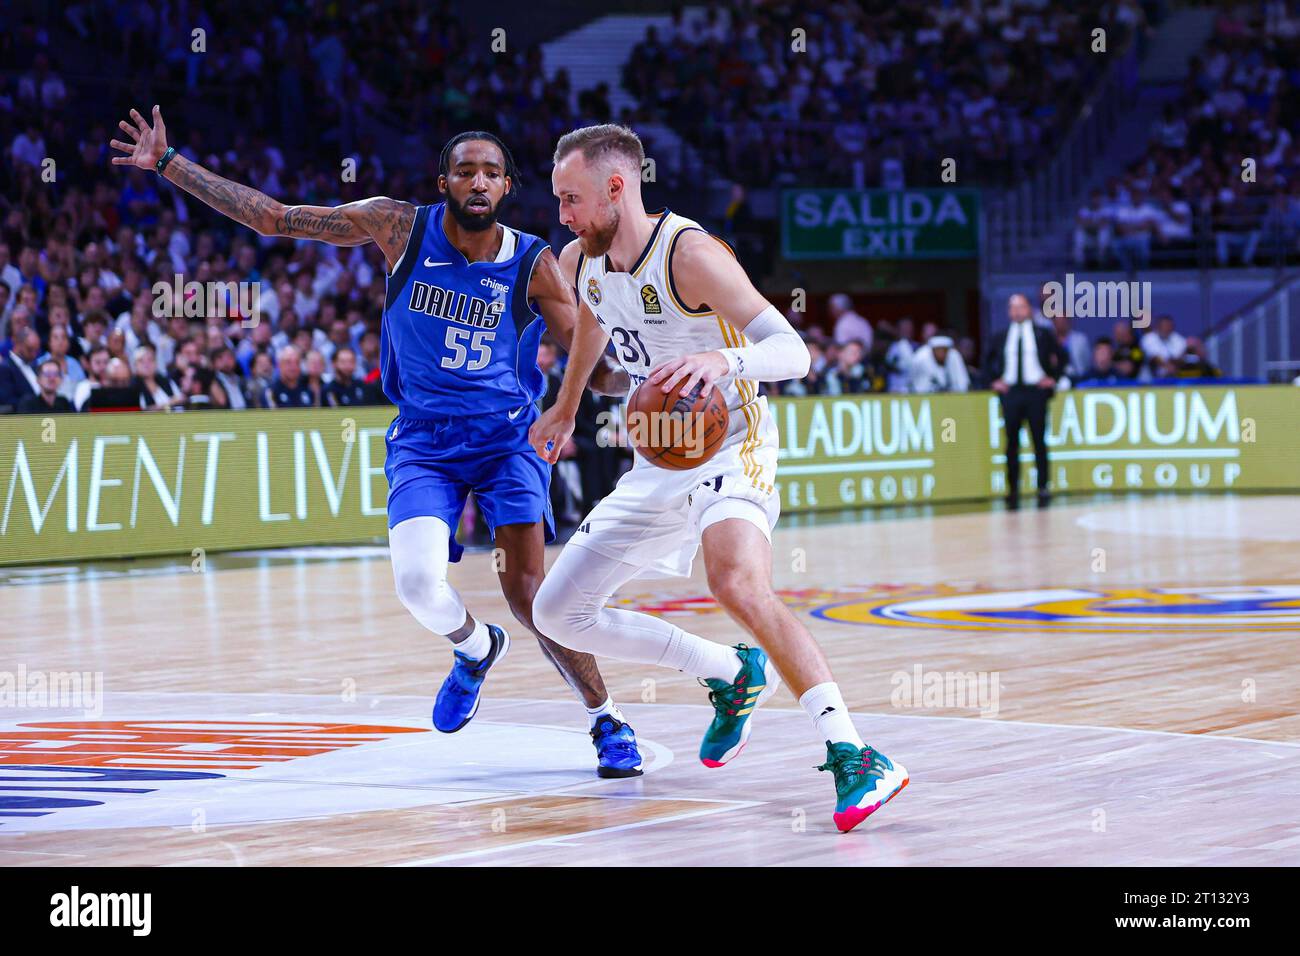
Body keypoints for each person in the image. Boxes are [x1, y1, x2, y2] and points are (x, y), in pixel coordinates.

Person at [110, 107, 641, 777]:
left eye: (491, 173)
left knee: (532, 594)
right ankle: (476, 648)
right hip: (423, 438)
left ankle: (606, 718)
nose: (478, 182)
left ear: (508, 186)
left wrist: (651, 371)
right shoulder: (397, 225)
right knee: (419, 585)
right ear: (442, 179)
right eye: (465, 170)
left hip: (507, 440)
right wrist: (167, 163)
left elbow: (598, 369)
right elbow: (275, 218)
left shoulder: (534, 263)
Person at [528, 124, 908, 832]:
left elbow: (793, 352)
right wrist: (567, 405)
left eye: (571, 199)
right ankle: (729, 673)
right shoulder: (582, 259)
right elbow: (591, 321)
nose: (563, 215)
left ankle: (855, 752)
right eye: (558, 201)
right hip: (658, 459)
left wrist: (721, 363)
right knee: (555, 613)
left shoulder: (692, 255)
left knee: (734, 581)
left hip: (733, 444)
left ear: (618, 187)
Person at [982, 293, 1069, 509]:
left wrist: (1053, 378)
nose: (1018, 311)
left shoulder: (1042, 334)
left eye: (1021, 306)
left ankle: (1043, 487)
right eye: (1014, 307)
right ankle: (1013, 490)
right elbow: (986, 361)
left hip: (1036, 392)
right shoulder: (1000, 336)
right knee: (1011, 443)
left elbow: (1062, 356)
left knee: (1039, 441)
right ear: (1009, 311)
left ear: (1029, 309)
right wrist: (994, 381)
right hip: (1011, 392)